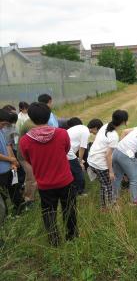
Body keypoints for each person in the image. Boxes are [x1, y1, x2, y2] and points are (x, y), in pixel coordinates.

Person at [19, 102, 77, 246]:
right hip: (65, 180)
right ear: (48, 115)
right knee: (69, 210)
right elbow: (66, 149)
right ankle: (72, 237)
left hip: (45, 185)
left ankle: (54, 241)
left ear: (30, 118)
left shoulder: (25, 140)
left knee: (48, 213)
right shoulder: (62, 133)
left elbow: (28, 159)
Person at [87, 110, 128, 210]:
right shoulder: (114, 136)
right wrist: (111, 171)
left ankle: (103, 207)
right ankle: (110, 207)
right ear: (123, 122)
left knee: (103, 185)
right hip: (99, 163)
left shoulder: (105, 126)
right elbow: (108, 155)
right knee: (108, 186)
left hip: (92, 159)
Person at [0, 109, 24, 216]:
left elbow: (8, 145)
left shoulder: (1, 131)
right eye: (4, 124)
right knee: (3, 195)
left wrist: (13, 162)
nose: (4, 127)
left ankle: (19, 209)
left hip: (10, 168)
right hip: (1, 172)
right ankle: (4, 216)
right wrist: (10, 160)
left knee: (15, 187)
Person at [66, 117, 91, 196]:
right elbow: (82, 147)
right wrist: (80, 162)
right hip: (68, 152)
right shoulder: (85, 131)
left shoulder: (77, 129)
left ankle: (72, 189)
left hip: (63, 151)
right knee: (78, 170)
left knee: (71, 171)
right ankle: (80, 191)